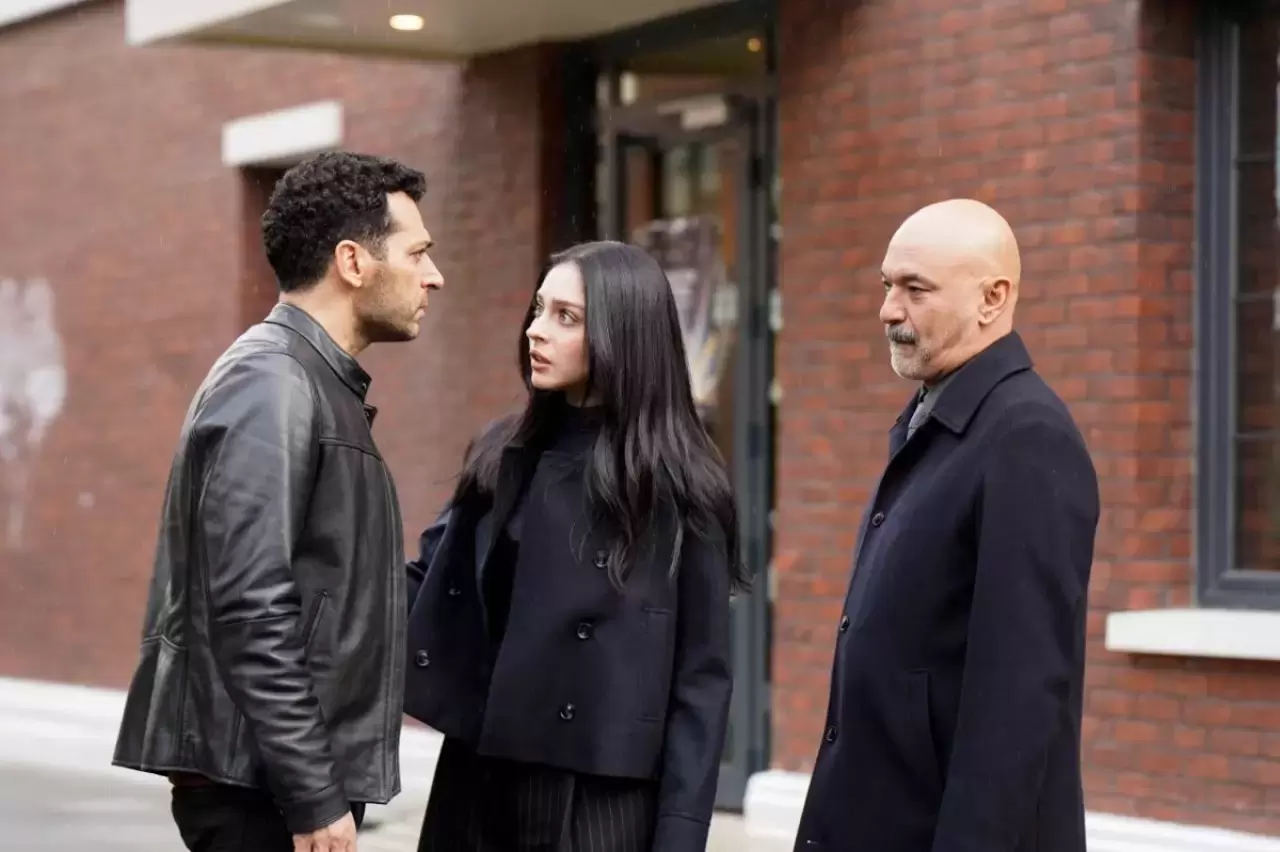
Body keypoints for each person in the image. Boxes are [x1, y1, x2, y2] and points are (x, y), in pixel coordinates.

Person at [112, 150, 444, 852]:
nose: (433, 275)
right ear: (352, 262)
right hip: (260, 792)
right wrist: (313, 792)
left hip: (272, 782)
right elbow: (250, 606)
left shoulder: (311, 382)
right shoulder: (274, 382)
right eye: (417, 253)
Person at [404, 240, 748, 852]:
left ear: (624, 334)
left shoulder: (680, 483)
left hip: (600, 800)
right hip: (482, 777)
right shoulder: (503, 452)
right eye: (539, 309)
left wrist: (680, 833)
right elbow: (427, 580)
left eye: (566, 317)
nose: (536, 330)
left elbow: (701, 680)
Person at [792, 199, 1100, 852]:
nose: (888, 309)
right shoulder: (937, 421)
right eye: (886, 285)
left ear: (993, 299)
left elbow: (1018, 697)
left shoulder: (1026, 436)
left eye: (915, 289)